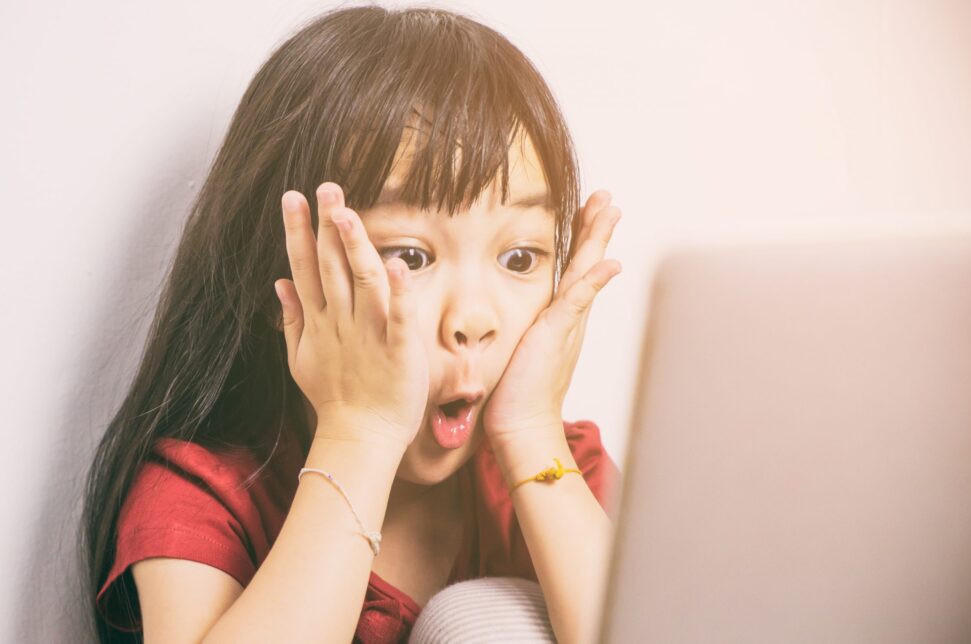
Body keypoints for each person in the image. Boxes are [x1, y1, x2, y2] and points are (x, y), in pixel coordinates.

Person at [81, 5, 623, 643]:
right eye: (411, 257)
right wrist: (359, 433)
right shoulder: (209, 495)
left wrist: (533, 434)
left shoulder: (561, 471)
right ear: (283, 278)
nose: (474, 319)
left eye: (520, 258)